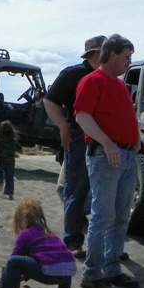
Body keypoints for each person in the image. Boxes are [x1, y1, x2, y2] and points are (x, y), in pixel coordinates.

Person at [74, 34, 140, 288]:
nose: (128, 62)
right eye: (126, 57)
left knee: (122, 215)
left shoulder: (121, 85)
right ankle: (92, 274)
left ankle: (112, 269)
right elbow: (82, 116)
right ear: (112, 55)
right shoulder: (91, 81)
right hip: (105, 155)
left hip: (126, 157)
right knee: (103, 215)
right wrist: (108, 143)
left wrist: (133, 143)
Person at [43, 35, 105, 259]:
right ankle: (72, 241)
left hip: (103, 140)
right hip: (79, 139)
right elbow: (49, 100)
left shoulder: (106, 77)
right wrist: (62, 125)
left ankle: (103, 243)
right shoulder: (73, 74)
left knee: (102, 194)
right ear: (96, 53)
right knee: (75, 190)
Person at [0, 198, 78, 288]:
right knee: (61, 257)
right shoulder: (48, 231)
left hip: (46, 272)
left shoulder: (25, 233)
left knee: (12, 262)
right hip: (68, 272)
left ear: (22, 219)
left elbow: (15, 257)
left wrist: (10, 279)